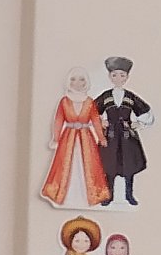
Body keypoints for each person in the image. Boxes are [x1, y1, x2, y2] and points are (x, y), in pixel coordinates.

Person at [40, 68, 109, 207]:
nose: (77, 83)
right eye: (73, 79)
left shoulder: (89, 102)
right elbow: (58, 120)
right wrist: (56, 138)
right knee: (65, 163)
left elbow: (95, 120)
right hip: (68, 138)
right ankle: (64, 193)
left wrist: (101, 137)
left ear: (86, 82)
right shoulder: (64, 101)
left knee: (88, 162)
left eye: (81, 79)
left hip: (86, 138)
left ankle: (90, 194)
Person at [95, 57, 153, 206]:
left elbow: (146, 112)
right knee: (109, 166)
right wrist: (100, 121)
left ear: (127, 77)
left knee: (129, 166)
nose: (118, 78)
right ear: (110, 76)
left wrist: (139, 124)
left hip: (127, 137)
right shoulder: (106, 96)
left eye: (122, 75)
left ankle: (129, 195)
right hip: (110, 136)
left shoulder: (130, 97)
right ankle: (108, 196)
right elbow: (91, 111)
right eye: (115, 75)